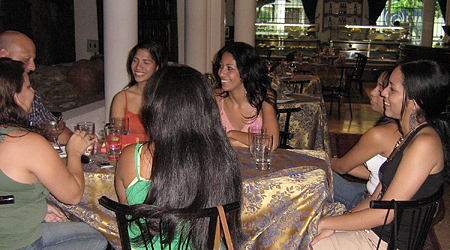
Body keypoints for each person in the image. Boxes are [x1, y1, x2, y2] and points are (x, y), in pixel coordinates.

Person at [312, 60, 450, 250]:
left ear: (415, 100)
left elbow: (385, 213)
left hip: (383, 242)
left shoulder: (424, 143)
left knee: (298, 239)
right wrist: (338, 222)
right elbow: (376, 200)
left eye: (392, 89)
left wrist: (324, 223)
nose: (383, 92)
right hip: (373, 231)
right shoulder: (408, 136)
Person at [114, 65, 243, 249]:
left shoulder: (131, 157)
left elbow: (129, 214)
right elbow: (223, 225)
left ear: (155, 107)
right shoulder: (222, 156)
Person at [0, 58, 107, 250]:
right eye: (29, 87)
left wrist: (39, 208)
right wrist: (73, 152)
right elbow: (72, 195)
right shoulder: (26, 142)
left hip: (11, 230)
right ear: (16, 97)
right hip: (19, 242)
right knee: (102, 240)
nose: (33, 92)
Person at [332, 71, 402, 209]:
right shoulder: (407, 129)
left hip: (370, 203)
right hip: (375, 193)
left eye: (381, 88)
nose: (373, 92)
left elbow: (340, 167)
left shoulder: (380, 134)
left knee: (312, 176)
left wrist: (324, 159)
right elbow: (378, 173)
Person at [0, 30, 73, 145]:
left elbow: (52, 128)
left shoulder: (29, 95)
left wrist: (76, 141)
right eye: (26, 59)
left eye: (33, 60)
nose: (33, 67)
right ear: (3, 55)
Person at [213, 42, 279, 148]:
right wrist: (251, 144)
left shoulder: (264, 97)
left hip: (256, 163)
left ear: (246, 71)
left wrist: (232, 134)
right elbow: (206, 140)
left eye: (229, 68)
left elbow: (272, 143)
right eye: (221, 66)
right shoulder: (215, 97)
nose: (221, 73)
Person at [110, 41, 167, 136]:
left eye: (146, 63)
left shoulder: (166, 96)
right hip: (129, 150)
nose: (138, 67)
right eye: (135, 60)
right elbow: (117, 136)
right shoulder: (122, 98)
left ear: (158, 67)